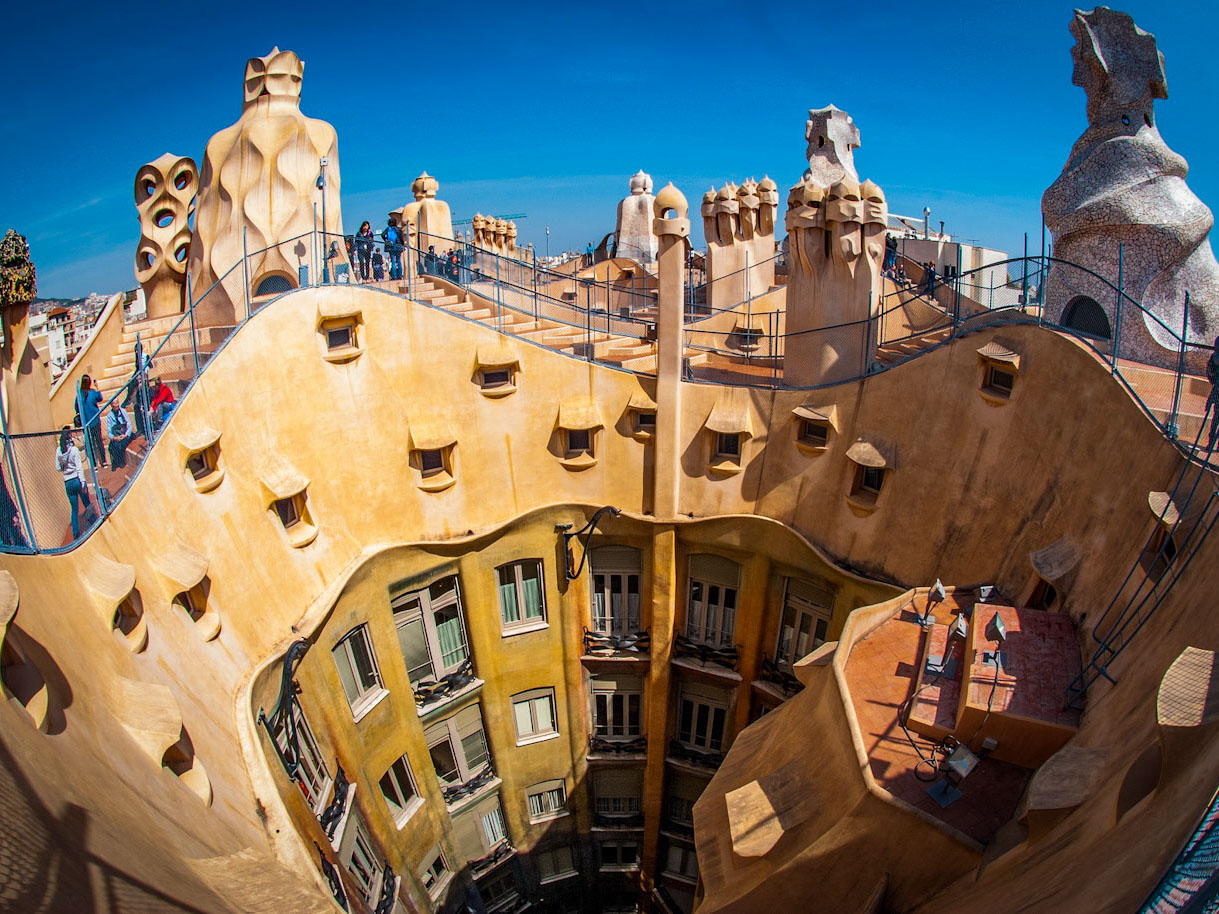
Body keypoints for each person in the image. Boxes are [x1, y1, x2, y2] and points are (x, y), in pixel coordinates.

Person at [56, 426, 92, 539]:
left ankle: (75, 532)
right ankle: (93, 520)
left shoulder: (58, 450)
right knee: (86, 502)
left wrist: (65, 467)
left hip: (68, 482)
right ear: (70, 436)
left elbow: (58, 468)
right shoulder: (74, 450)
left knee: (74, 508)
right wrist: (83, 482)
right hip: (77, 479)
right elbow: (79, 467)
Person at [77, 375, 103, 467]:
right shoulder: (92, 392)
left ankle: (94, 465)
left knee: (91, 444)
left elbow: (76, 408)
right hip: (95, 420)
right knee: (99, 441)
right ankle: (103, 461)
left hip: (86, 423)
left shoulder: (79, 395)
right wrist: (97, 387)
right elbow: (100, 398)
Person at [106, 402, 135, 470]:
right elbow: (109, 432)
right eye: (115, 407)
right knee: (113, 446)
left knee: (122, 444)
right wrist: (114, 438)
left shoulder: (123, 412)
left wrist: (126, 435)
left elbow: (129, 425)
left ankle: (122, 462)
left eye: (117, 406)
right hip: (116, 435)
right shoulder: (109, 416)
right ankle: (117, 462)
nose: (117, 408)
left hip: (125, 433)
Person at [382, 216, 403, 281]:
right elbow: (401, 238)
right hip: (398, 246)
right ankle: (399, 275)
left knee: (393, 261)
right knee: (399, 260)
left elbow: (382, 234)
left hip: (390, 246)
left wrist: (385, 240)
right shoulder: (399, 229)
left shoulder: (388, 229)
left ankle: (394, 276)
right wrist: (402, 245)